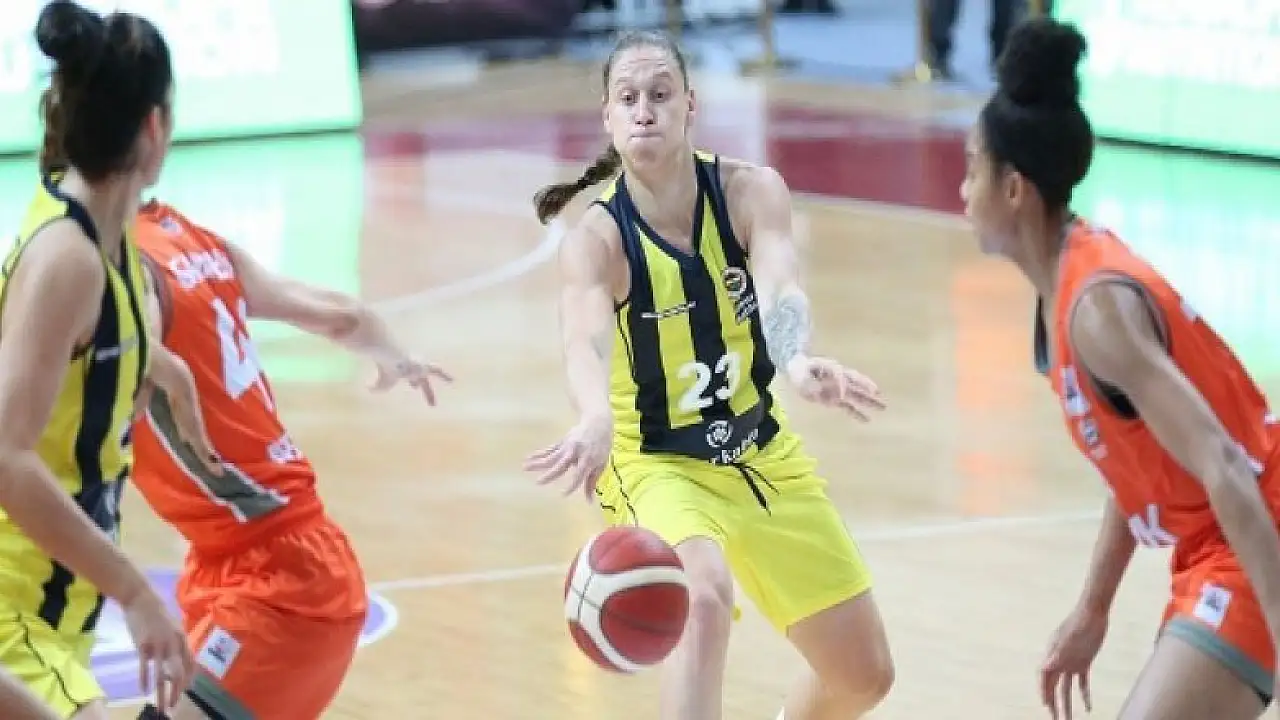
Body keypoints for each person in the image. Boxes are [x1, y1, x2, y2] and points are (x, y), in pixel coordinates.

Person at [524, 30, 894, 720]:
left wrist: (795, 359)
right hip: (656, 463)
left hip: (761, 453)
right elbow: (583, 344)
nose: (644, 111)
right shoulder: (599, 241)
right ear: (607, 115)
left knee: (863, 675)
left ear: (690, 105)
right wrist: (595, 416)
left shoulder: (752, 191)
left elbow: (780, 287)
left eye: (660, 94)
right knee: (702, 594)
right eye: (628, 98)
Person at [961, 17, 1280, 720]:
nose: (961, 190)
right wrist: (1093, 608)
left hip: (1257, 527)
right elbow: (1138, 464)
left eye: (972, 169)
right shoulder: (1063, 292)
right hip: (1213, 542)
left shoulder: (1097, 311)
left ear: (1013, 189)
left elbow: (1224, 463)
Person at [128, 199, 451, 719]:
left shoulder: (123, 266)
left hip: (277, 585)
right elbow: (344, 315)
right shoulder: (199, 242)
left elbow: (136, 361)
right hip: (267, 558)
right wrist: (398, 358)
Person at [0, 2, 223, 717]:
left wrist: (168, 372)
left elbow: (88, 344)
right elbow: (6, 457)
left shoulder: (105, 232)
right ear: (155, 126)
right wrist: (133, 590)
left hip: (56, 614)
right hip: (12, 612)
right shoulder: (67, 258)